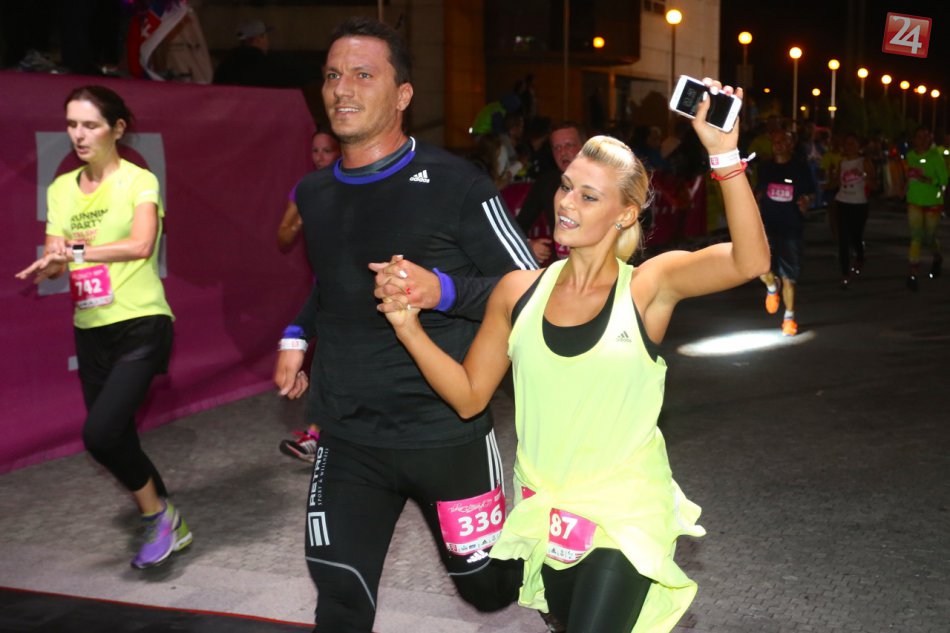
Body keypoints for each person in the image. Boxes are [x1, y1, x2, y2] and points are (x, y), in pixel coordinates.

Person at [373, 79, 769, 632]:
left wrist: (723, 154)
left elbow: (750, 261)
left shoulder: (646, 287)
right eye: (565, 187)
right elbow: (469, 397)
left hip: (624, 512)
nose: (566, 204)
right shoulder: (518, 291)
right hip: (548, 513)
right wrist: (409, 329)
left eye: (588, 196)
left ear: (625, 215)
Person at [271, 17, 536, 632]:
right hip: (347, 434)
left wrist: (441, 289)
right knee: (339, 594)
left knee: (489, 591)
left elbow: (531, 290)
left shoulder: (457, 184)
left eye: (363, 75)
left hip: (446, 434)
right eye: (332, 75)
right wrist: (296, 334)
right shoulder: (314, 193)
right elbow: (334, 280)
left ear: (403, 95)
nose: (342, 89)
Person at [15, 85, 191, 569]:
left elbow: (140, 245)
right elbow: (57, 254)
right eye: (72, 124)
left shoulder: (139, 181)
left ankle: (157, 517)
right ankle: (168, 516)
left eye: (90, 125)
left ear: (117, 129)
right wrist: (51, 263)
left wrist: (73, 251)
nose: (78, 134)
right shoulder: (61, 189)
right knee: (117, 436)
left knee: (100, 433)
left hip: (141, 321)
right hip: (90, 326)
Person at [276, 129, 341, 462]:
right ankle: (317, 435)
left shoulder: (354, 182)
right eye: (315, 151)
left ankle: (320, 435)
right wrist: (300, 221)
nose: (319, 157)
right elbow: (283, 238)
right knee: (329, 357)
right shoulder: (306, 188)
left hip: (359, 284)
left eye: (326, 150)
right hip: (326, 288)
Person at [756, 129, 814, 336]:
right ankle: (772, 288)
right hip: (767, 226)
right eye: (775, 140)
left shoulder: (800, 168)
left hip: (791, 227)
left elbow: (811, 193)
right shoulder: (765, 168)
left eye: (783, 141)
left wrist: (806, 201)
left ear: (791, 145)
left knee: (789, 276)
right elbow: (758, 193)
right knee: (760, 267)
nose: (778, 144)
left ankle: (789, 319)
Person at [516, 122, 587, 265]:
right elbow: (519, 225)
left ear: (585, 148)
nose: (563, 152)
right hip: (563, 267)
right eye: (557, 147)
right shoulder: (546, 183)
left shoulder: (604, 181)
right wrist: (527, 244)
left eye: (569, 145)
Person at [903, 126, 948, 291]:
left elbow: (944, 180)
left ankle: (937, 256)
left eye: (925, 136)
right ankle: (913, 273)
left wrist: (930, 181)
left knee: (929, 237)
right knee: (916, 236)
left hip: (932, 202)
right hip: (914, 201)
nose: (922, 140)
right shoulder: (910, 156)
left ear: (930, 139)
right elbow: (906, 175)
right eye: (919, 136)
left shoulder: (935, 156)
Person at [833, 133, 876, 288]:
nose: (849, 147)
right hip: (843, 201)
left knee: (856, 235)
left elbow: (874, 184)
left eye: (853, 143)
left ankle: (860, 255)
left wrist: (863, 176)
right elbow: (837, 182)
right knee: (843, 239)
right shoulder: (842, 162)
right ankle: (845, 273)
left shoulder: (864, 162)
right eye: (847, 144)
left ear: (859, 146)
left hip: (859, 203)